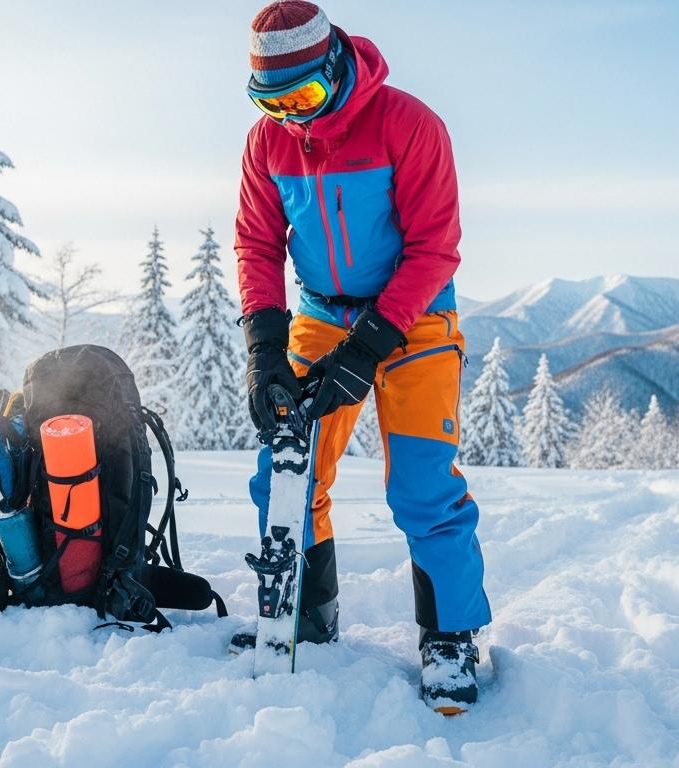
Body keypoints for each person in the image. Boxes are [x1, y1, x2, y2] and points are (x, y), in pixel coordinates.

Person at [235, 0, 490, 713]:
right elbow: (257, 243)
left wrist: (367, 349)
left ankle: (451, 636)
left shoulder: (409, 124)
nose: (294, 118)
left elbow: (434, 246)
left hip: (416, 318)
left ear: (336, 65)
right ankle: (306, 616)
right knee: (287, 468)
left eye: (305, 98)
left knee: (422, 486)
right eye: (273, 103)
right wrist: (264, 348)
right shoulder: (268, 143)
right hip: (320, 312)